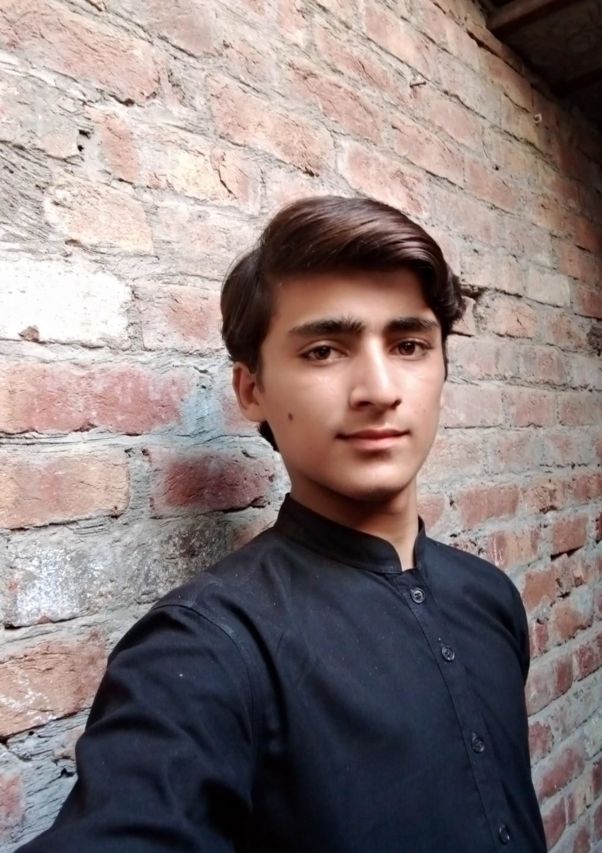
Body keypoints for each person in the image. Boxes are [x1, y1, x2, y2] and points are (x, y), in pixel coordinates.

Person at [19, 196, 546, 852]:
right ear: (252, 390)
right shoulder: (205, 648)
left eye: (409, 345)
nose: (379, 389)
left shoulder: (490, 596)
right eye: (324, 351)